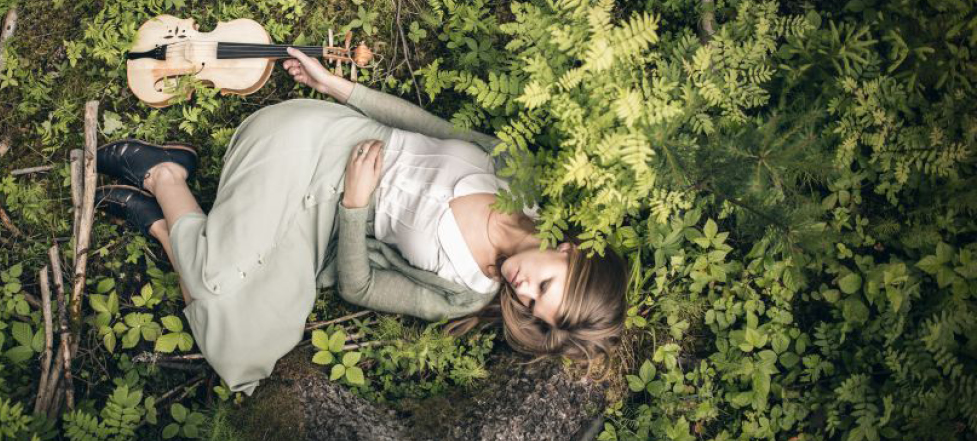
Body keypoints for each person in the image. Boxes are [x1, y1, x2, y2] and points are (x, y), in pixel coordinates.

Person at [95, 48, 628, 395]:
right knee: (213, 277)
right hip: (319, 144)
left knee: (241, 354)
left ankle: (165, 225)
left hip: (324, 221)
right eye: (544, 286)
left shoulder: (468, 292)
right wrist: (336, 87)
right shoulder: (522, 178)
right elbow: (433, 125)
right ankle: (164, 178)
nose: (523, 291)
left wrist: (354, 206)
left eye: (532, 307)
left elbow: (360, 286)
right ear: (569, 252)